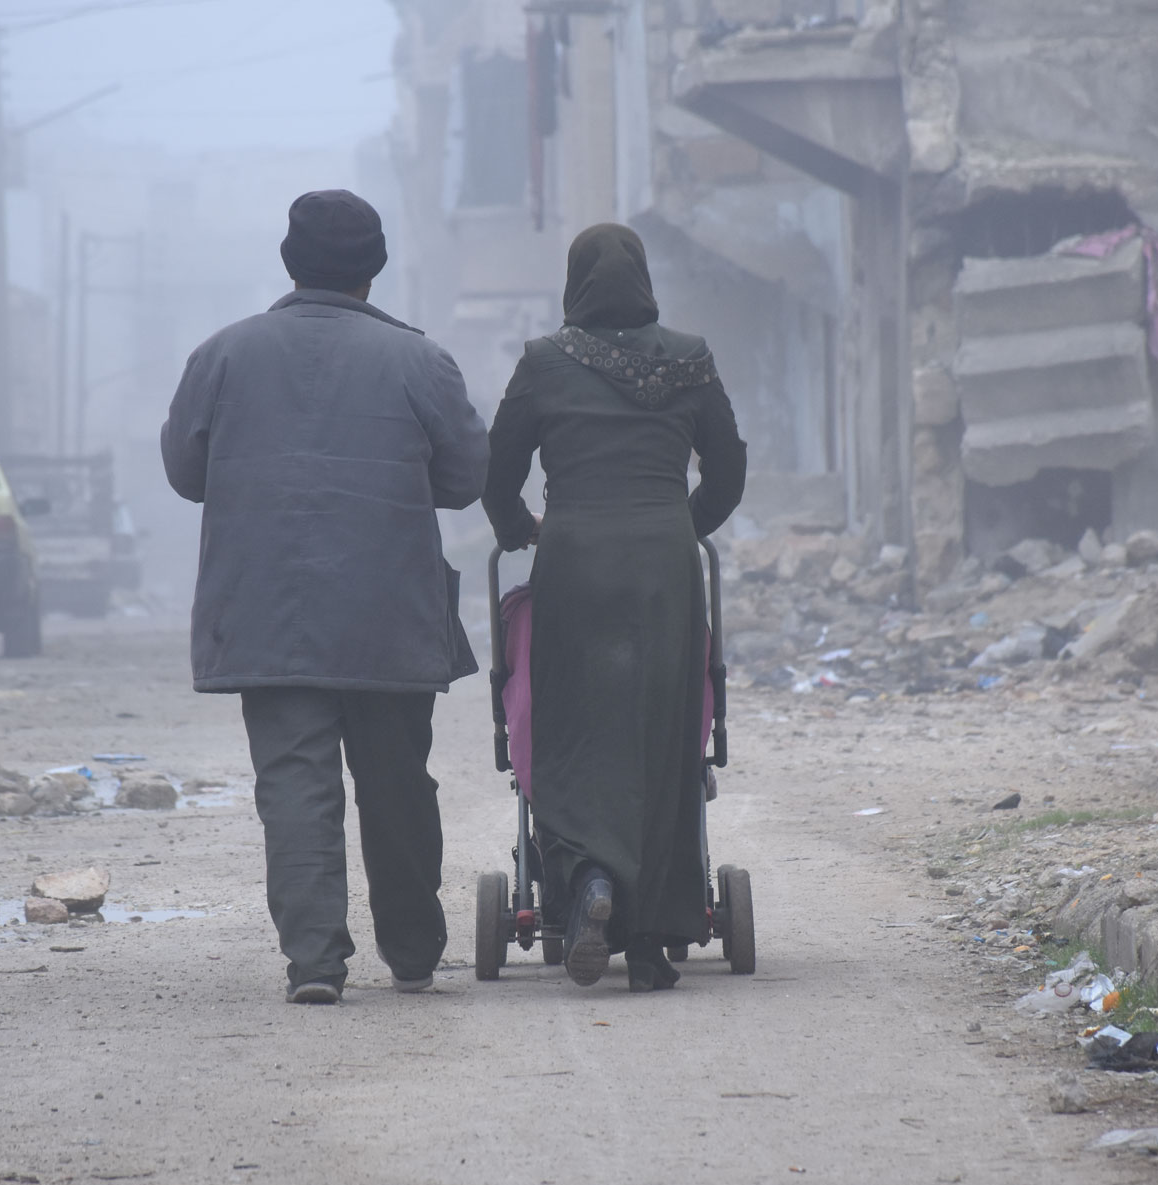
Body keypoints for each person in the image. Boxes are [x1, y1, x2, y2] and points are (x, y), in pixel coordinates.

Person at [162, 189, 490, 1005]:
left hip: (269, 615)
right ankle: (413, 951)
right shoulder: (420, 362)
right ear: (374, 271)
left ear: (288, 262)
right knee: (397, 785)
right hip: (390, 615)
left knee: (295, 787)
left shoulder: (222, 356)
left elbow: (185, 474)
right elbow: (465, 479)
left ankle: (314, 961)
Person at [482, 223, 747, 992]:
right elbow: (727, 472)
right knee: (663, 746)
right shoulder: (691, 357)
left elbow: (497, 472)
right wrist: (675, 528)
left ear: (576, 284)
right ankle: (653, 938)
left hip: (574, 568)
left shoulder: (543, 362)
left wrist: (518, 530)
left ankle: (591, 882)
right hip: (665, 573)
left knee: (575, 735)